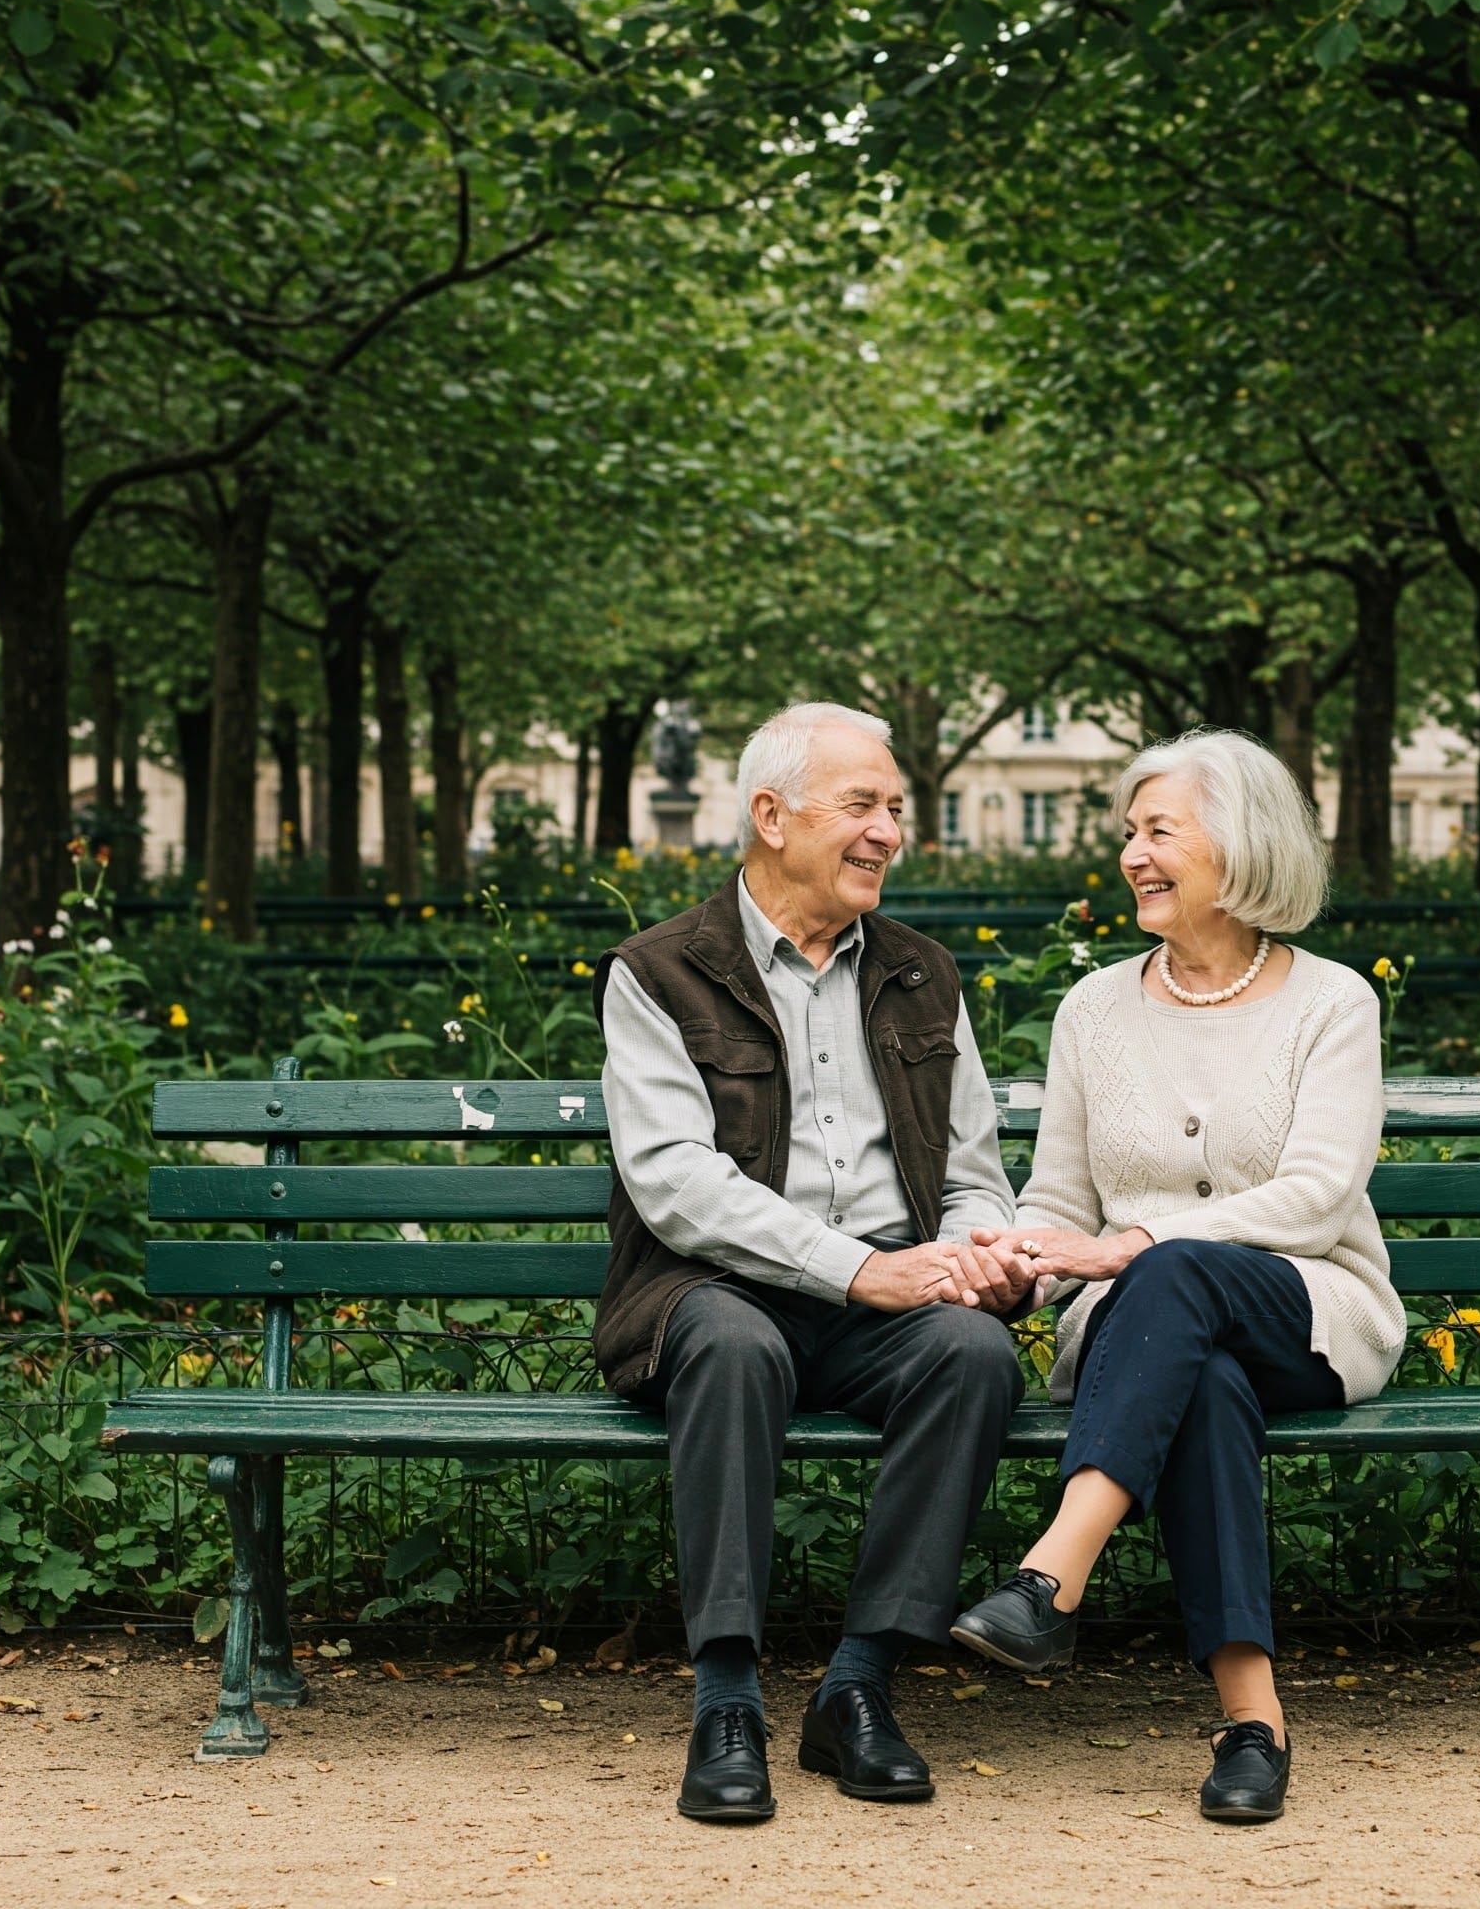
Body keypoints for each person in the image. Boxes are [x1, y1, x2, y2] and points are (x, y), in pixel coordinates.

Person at [949, 730, 1403, 1824]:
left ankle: (1051, 1574)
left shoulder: (1330, 1002)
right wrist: (1022, 1261)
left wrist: (1132, 1240)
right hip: (1145, 1333)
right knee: (1194, 1368)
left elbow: (1316, 1195)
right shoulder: (1093, 1009)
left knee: (1181, 1268)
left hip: (1308, 1309)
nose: (1131, 855)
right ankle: (1254, 1723)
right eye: (1126, 834)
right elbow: (1057, 1197)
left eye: (1158, 831)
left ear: (1238, 844)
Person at [593, 702, 1035, 1824]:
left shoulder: (922, 972)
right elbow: (675, 1183)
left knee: (974, 1353)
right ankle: (726, 1699)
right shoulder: (659, 971)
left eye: (895, 807)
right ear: (770, 815)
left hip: (885, 1299)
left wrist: (979, 1243)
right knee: (735, 1343)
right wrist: (851, 1267)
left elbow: (973, 1165)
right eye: (863, 805)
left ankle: (858, 1684)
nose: (889, 829)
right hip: (717, 1289)